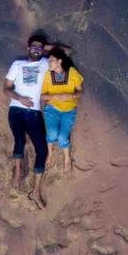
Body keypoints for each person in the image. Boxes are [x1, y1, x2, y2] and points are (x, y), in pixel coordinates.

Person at [3, 31, 50, 207]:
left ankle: (36, 191)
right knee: (20, 139)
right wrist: (20, 98)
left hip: (34, 112)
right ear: (28, 48)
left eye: (40, 47)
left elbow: (66, 53)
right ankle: (17, 174)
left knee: (42, 150)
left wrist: (47, 49)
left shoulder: (45, 63)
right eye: (34, 46)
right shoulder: (18, 64)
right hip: (16, 109)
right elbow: (6, 89)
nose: (37, 50)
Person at [41, 45, 84, 174]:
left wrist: (72, 95)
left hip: (69, 110)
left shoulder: (71, 72)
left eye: (51, 60)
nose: (49, 62)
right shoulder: (47, 75)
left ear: (59, 61)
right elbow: (42, 95)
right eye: (48, 60)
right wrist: (55, 96)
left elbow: (80, 91)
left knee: (62, 138)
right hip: (52, 108)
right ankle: (50, 153)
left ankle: (67, 158)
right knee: (51, 134)